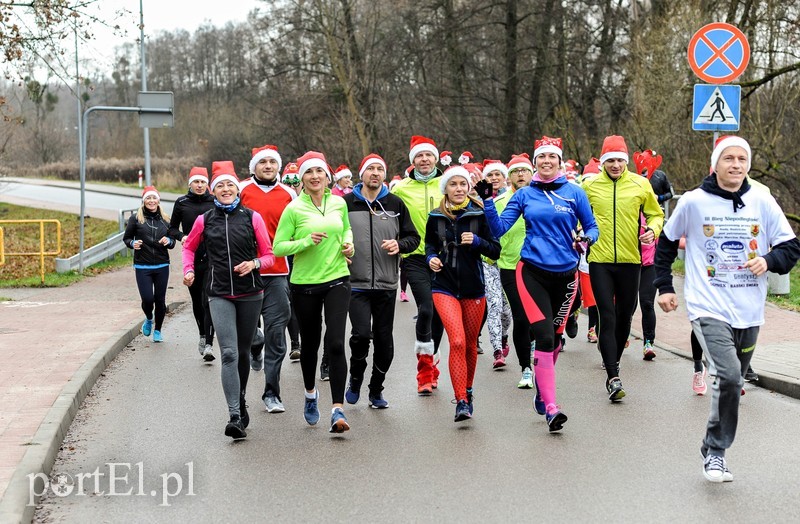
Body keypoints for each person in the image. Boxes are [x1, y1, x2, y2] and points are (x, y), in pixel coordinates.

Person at [653, 135, 800, 482]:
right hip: (708, 305)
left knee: (732, 383)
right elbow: (666, 244)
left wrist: (768, 260)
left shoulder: (762, 200)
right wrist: (664, 286)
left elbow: (791, 248)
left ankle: (710, 445)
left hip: (750, 309)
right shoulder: (693, 202)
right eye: (728, 158)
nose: (736, 165)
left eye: (741, 159)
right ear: (715, 164)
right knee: (730, 376)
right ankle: (717, 453)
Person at [478, 137, 599, 432]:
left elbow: (592, 226)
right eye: (541, 157)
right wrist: (488, 203)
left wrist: (586, 237)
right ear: (535, 163)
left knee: (555, 340)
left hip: (567, 275)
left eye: (552, 157)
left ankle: (541, 391)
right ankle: (551, 408)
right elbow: (499, 229)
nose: (546, 161)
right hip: (531, 272)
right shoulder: (524, 195)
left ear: (559, 162)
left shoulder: (575, 192)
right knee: (543, 336)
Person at [182, 161, 276, 440]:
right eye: (220, 185)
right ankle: (234, 414)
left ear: (237, 189)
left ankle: (242, 396)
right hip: (219, 293)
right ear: (214, 191)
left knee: (243, 352)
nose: (225, 189)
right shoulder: (204, 220)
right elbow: (188, 248)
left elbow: (269, 254)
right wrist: (188, 270)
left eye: (229, 185)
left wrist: (255, 263)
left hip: (250, 293)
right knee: (230, 353)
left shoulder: (252, 218)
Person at [273, 151, 355, 433]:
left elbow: (346, 230)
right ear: (303, 178)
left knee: (335, 342)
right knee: (310, 344)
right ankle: (310, 395)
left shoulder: (339, 203)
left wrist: (348, 245)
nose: (315, 177)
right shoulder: (293, 208)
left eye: (319, 171)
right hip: (304, 282)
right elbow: (278, 247)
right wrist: (305, 241)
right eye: (309, 173)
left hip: (337, 278)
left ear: (327, 176)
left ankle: (337, 409)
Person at [581, 135, 663, 401]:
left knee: (625, 315)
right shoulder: (590, 186)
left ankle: (612, 359)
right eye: (610, 160)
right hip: (600, 260)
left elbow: (656, 213)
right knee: (607, 314)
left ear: (626, 161)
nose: (615, 165)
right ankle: (613, 376)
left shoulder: (640, 184)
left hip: (630, 260)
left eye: (619, 160)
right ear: (603, 161)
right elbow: (576, 215)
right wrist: (580, 231)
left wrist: (652, 230)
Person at [343, 153, 420, 409]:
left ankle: (376, 389)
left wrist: (399, 244)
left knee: (385, 341)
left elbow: (413, 238)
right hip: (356, 284)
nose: (375, 173)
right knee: (361, 334)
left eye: (379, 169)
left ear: (384, 175)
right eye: (370, 169)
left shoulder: (395, 204)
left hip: (387, 284)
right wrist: (341, 252)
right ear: (361, 174)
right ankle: (355, 379)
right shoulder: (346, 203)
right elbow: (335, 237)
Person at [426, 161, 500, 422]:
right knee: (456, 341)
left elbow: (495, 249)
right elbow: (430, 247)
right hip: (443, 286)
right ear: (445, 189)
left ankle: (468, 392)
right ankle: (460, 401)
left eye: (463, 184)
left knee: (469, 344)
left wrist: (477, 241)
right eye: (453, 184)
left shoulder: (479, 214)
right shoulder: (435, 217)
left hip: (473, 288)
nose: (458, 188)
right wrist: (431, 259)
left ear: (469, 188)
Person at [240, 144, 297, 414]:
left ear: (278, 166)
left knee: (277, 332)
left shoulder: (288, 193)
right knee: (250, 332)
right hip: (245, 274)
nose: (268, 166)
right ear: (254, 167)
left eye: (272, 163)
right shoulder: (240, 190)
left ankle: (271, 393)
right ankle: (254, 344)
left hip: (277, 272)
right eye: (262, 162)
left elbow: (301, 227)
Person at [391, 135, 445, 395]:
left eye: (428, 155)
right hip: (415, 257)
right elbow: (388, 217)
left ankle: (431, 360)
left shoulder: (447, 183)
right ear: (412, 161)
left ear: (435, 158)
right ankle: (424, 369)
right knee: (426, 308)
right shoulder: (400, 189)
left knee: (441, 313)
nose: (424, 160)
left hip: (445, 258)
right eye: (419, 156)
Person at [492, 154, 535, 387]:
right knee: (521, 317)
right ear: (509, 177)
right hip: (510, 266)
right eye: (516, 171)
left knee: (539, 319)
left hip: (539, 266)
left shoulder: (541, 199)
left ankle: (538, 354)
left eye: (525, 170)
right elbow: (491, 233)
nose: (520, 174)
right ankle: (526, 368)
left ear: (532, 173)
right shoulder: (500, 203)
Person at [168, 168, 216, 360]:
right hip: (192, 257)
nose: (199, 185)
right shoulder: (181, 203)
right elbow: (171, 228)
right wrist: (182, 236)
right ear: (190, 183)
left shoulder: (214, 201)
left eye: (203, 182)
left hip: (212, 256)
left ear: (207, 184)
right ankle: (203, 335)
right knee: (197, 300)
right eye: (196, 182)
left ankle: (210, 345)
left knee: (208, 299)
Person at [123, 186, 177, 344]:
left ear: (158, 200)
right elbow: (126, 238)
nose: (151, 201)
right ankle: (148, 318)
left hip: (161, 265)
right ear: (144, 201)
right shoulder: (136, 218)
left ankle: (158, 330)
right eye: (148, 198)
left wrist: (169, 241)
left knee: (160, 300)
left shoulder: (166, 219)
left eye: (154, 198)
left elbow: (173, 241)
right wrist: (133, 243)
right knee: (147, 299)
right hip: (142, 266)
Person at [478, 159, 513, 369]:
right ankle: (497, 350)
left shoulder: (514, 198)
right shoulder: (480, 200)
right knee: (493, 305)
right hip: (489, 260)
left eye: (498, 175)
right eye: (490, 176)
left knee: (506, 312)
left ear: (504, 178)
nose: (494, 179)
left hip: (509, 261)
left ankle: (505, 335)